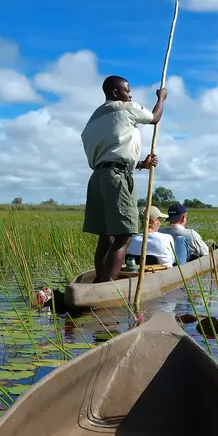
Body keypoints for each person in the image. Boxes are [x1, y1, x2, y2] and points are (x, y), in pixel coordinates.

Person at [81, 75, 168, 282]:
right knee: (123, 235)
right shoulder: (126, 108)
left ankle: (100, 282)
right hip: (117, 179)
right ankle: (106, 287)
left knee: (106, 236)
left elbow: (110, 152)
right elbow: (154, 117)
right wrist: (162, 98)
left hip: (98, 178)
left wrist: (140, 164)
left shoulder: (94, 118)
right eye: (127, 91)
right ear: (115, 93)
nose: (130, 95)